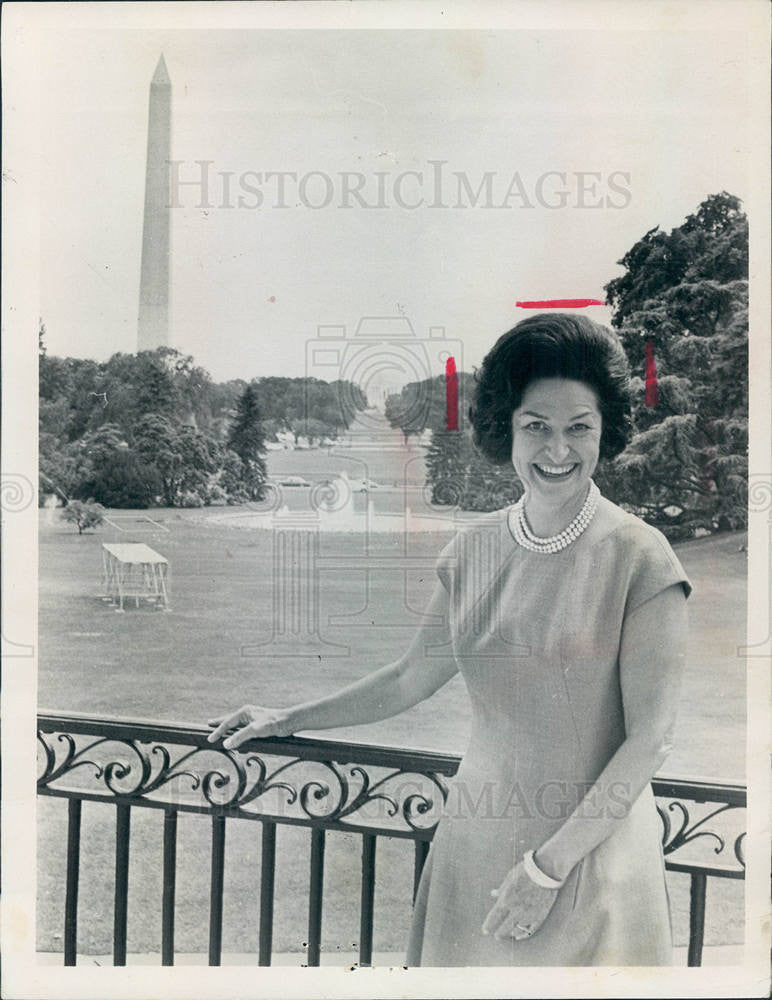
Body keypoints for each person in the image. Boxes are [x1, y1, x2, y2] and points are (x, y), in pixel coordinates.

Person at [207, 313, 691, 967]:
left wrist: (549, 868)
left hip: (592, 866)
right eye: (535, 426)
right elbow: (411, 677)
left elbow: (650, 739)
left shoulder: (641, 556)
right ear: (506, 429)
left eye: (579, 427)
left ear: (605, 431)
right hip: (477, 854)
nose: (557, 449)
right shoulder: (475, 549)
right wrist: (283, 718)